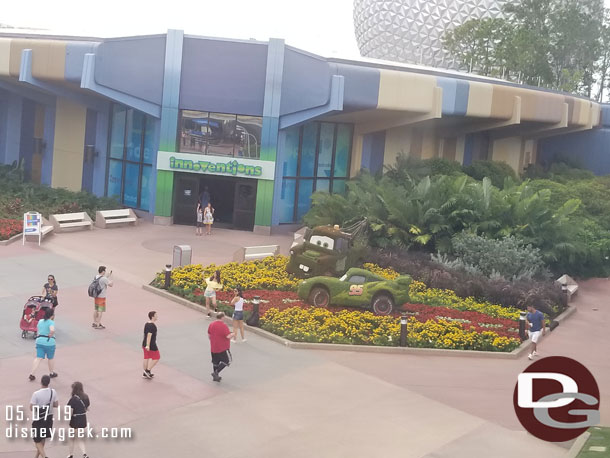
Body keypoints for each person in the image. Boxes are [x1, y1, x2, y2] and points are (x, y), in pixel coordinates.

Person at [30, 374, 58, 458]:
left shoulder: (36, 394)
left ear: (41, 382)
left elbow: (31, 407)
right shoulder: (53, 392)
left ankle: (45, 456)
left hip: (39, 418)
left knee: (36, 439)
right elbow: (56, 404)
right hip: (49, 417)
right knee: (43, 437)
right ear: (48, 382)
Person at [29, 308, 57, 381]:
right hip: (49, 342)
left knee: (38, 358)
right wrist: (51, 334)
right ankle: (51, 372)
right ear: (52, 315)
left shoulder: (40, 321)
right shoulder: (51, 322)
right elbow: (52, 329)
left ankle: (32, 373)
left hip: (39, 341)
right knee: (50, 358)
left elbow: (38, 329)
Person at [208, 312, 234, 382]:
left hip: (213, 347)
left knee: (215, 362)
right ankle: (216, 373)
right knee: (227, 360)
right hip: (222, 347)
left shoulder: (211, 324)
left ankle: (216, 377)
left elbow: (209, 335)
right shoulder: (223, 326)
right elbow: (228, 336)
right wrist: (233, 334)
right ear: (222, 317)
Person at [67, 381, 91, 458]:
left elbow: (70, 412)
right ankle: (84, 454)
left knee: (72, 438)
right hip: (83, 419)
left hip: (75, 420)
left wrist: (67, 420)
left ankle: (71, 454)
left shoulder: (73, 399)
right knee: (80, 438)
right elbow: (87, 408)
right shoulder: (86, 397)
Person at [93, 265, 113, 330]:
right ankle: (98, 324)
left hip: (96, 295)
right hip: (102, 296)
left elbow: (102, 280)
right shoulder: (104, 279)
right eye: (105, 271)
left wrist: (107, 276)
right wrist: (111, 279)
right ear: (103, 271)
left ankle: (95, 322)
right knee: (100, 311)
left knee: (96, 309)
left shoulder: (96, 277)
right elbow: (110, 285)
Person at [142, 311, 160, 379]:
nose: (157, 316)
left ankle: (145, 373)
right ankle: (148, 370)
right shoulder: (152, 325)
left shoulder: (147, 324)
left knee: (146, 357)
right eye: (156, 315)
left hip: (144, 343)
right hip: (151, 345)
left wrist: (146, 344)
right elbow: (149, 335)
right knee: (157, 357)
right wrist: (148, 345)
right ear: (152, 316)